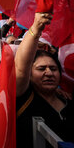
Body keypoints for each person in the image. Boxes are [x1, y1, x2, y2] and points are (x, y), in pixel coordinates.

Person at [15, 12, 74, 147]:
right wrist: (36, 27)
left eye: (53, 69)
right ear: (29, 74)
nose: (48, 73)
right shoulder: (23, 98)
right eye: (41, 69)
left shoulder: (68, 100)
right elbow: (20, 68)